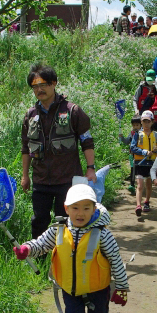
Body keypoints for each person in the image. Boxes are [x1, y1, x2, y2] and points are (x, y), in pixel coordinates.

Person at [14, 184, 129, 313]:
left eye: (86, 208)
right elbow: (40, 244)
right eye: (75, 208)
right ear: (66, 208)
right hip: (70, 290)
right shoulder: (58, 230)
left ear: (94, 209)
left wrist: (121, 287)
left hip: (97, 289)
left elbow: (116, 260)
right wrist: (26, 249)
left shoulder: (102, 235)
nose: (80, 213)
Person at [21, 64, 96, 239]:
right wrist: (25, 176)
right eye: (35, 86)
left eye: (44, 85)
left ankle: (62, 258)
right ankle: (39, 259)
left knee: (63, 221)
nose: (39, 90)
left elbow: (87, 140)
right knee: (39, 220)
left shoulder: (72, 111)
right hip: (40, 180)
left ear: (54, 83)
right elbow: (26, 147)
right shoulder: (30, 115)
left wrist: (90, 168)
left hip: (66, 179)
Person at [130, 111, 157, 216]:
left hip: (151, 163)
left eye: (148, 121)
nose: (146, 124)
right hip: (140, 162)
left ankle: (146, 202)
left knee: (148, 184)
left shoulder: (155, 135)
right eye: (144, 121)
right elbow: (132, 147)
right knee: (140, 185)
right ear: (141, 122)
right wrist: (144, 152)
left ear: (152, 122)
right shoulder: (137, 134)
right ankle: (138, 205)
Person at [119, 112, 142, 195]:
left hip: (141, 155)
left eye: (137, 125)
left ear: (141, 125)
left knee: (140, 171)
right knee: (133, 169)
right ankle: (132, 185)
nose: (135, 127)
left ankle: (140, 185)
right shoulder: (132, 133)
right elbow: (126, 141)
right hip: (132, 155)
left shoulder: (143, 134)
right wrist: (121, 138)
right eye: (134, 125)